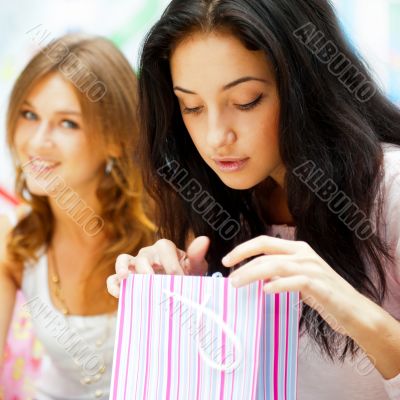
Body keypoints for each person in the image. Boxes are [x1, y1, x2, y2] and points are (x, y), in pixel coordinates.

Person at [107, 1, 400, 399]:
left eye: (246, 101)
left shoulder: (391, 190)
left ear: (307, 85)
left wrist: (350, 308)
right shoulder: (216, 199)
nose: (215, 137)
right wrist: (186, 309)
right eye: (191, 106)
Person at [0, 34, 154, 399]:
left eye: (67, 123)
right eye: (28, 114)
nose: (37, 141)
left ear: (117, 138)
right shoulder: (15, 241)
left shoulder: (166, 229)